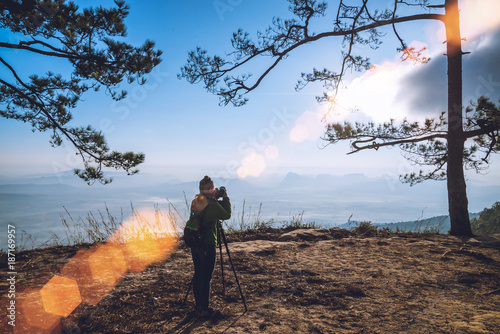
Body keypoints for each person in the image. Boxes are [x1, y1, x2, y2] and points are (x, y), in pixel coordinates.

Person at [189, 175, 231, 317]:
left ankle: (198, 306)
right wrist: (225, 198)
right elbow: (226, 215)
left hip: (195, 244)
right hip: (207, 243)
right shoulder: (212, 205)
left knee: (198, 274)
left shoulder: (196, 201)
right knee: (206, 277)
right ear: (209, 190)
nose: (214, 190)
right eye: (212, 188)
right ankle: (204, 308)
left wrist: (213, 198)